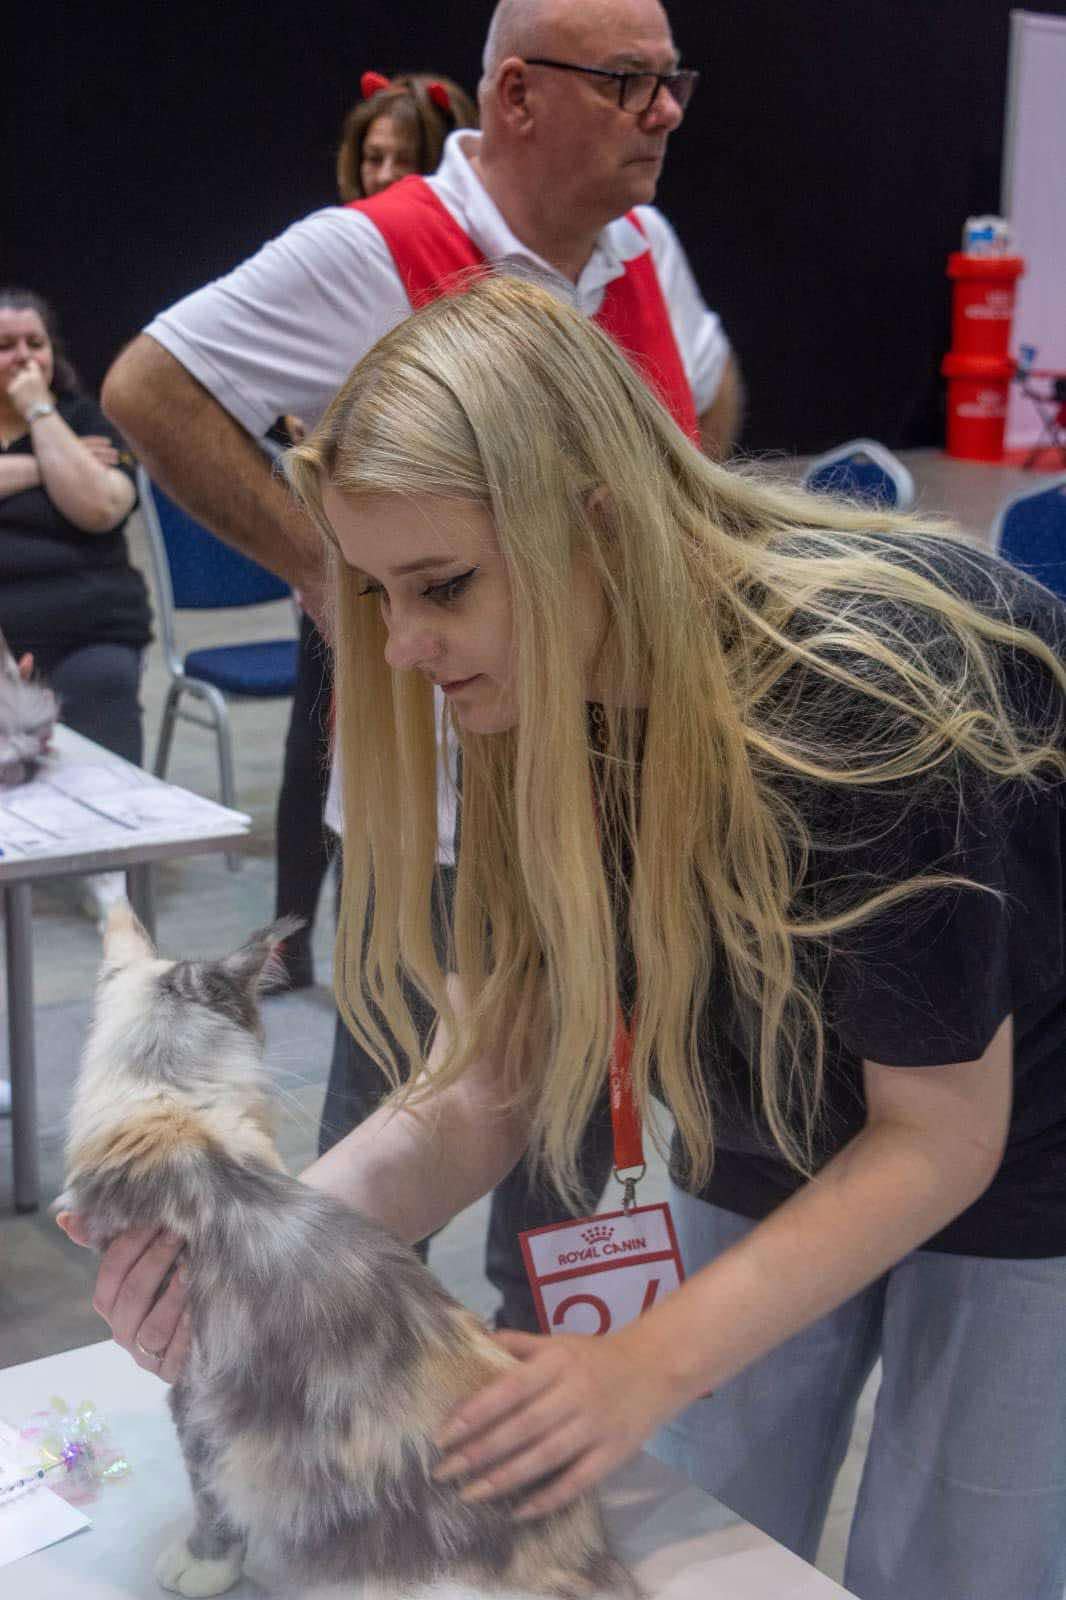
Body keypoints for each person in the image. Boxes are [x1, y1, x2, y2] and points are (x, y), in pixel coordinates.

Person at [68, 274, 1066, 1600]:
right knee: (710, 1514)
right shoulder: (531, 682)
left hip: (1023, 1154)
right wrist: (273, 1248)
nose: (407, 645)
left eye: (440, 585)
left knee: (955, 1553)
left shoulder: (864, 695)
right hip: (759, 1110)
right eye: (374, 595)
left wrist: (638, 1362)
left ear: (591, 528)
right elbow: (492, 1068)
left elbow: (939, 1132)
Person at [100, 0, 742, 1327]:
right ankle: (320, 1411)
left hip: (620, 795)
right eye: (629, 83)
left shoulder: (642, 246)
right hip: (447, 820)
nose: (665, 111)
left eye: (669, 80)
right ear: (516, 96)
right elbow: (149, 388)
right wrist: (335, 574)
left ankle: (534, 1413)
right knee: (402, 1133)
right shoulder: (370, 251)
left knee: (570, 1156)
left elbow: (710, 398)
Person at [274, 70, 478, 992]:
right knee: (314, 749)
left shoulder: (464, 275)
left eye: (404, 159)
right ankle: (294, 932)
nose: (382, 172)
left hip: (435, 546)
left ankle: (436, 937)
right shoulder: (333, 268)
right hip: (346, 556)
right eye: (372, 157)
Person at [0, 289, 151, 924]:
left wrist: (38, 412)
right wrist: (45, 466)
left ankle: (106, 861)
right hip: (6, 638)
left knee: (106, 680)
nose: (22, 355)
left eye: (34, 343)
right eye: (6, 345)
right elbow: (70, 481)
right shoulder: (64, 444)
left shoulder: (83, 417)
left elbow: (99, 505)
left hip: (96, 624)